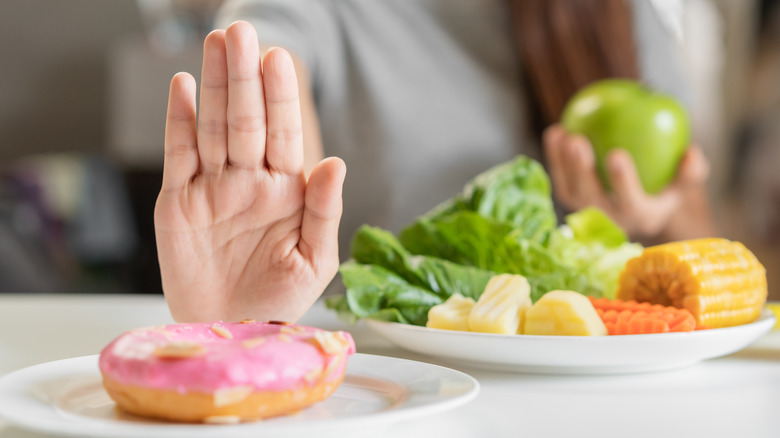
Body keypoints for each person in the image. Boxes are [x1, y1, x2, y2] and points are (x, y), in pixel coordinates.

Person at [157, 1, 718, 323]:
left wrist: (652, 217)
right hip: (398, 382)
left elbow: (696, 224)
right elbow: (270, 60)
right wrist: (250, 303)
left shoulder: (616, 12)